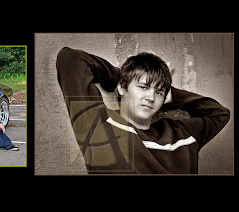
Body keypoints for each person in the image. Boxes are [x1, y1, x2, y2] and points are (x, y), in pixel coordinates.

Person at [56, 47, 230, 174]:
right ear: (122, 87)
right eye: (143, 87)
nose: (151, 97)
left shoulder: (181, 133)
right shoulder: (99, 126)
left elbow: (219, 113)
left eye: (159, 92)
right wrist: (123, 76)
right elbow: (70, 59)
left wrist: (171, 93)